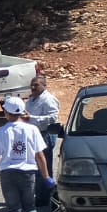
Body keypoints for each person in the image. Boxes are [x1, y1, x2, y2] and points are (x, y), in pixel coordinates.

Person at [27, 76, 61, 204]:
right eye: (32, 85)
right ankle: (39, 195)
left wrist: (31, 118)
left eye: (36, 85)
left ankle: (45, 197)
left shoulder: (48, 99)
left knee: (44, 165)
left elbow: (52, 118)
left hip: (45, 134)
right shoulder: (31, 100)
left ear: (44, 86)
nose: (33, 87)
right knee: (36, 166)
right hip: (33, 135)